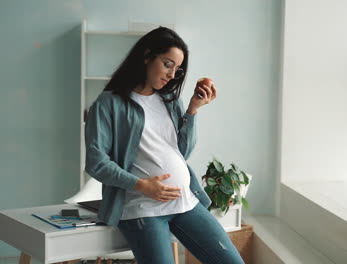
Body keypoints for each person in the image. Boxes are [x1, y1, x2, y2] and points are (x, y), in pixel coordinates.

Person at [85, 27, 244, 264]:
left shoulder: (169, 100)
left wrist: (193, 109)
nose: (172, 75)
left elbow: (182, 152)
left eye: (177, 70)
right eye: (167, 64)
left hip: (186, 202)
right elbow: (97, 163)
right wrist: (141, 185)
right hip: (141, 209)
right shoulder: (109, 103)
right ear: (147, 56)